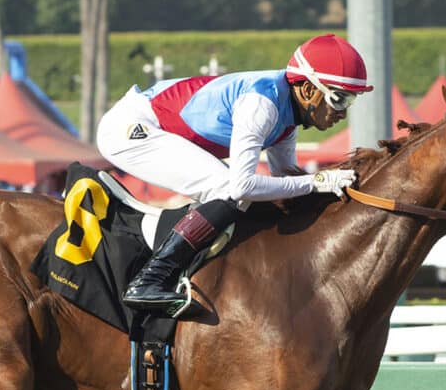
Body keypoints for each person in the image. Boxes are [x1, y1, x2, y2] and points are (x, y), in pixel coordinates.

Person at [96, 33, 372, 312]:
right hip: (130, 129)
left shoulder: (287, 117)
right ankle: (149, 281)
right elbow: (242, 186)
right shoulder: (262, 105)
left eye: (349, 102)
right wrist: (319, 181)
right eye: (338, 99)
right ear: (308, 90)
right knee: (228, 187)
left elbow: (286, 180)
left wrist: (337, 191)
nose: (342, 113)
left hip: (148, 124)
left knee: (239, 191)